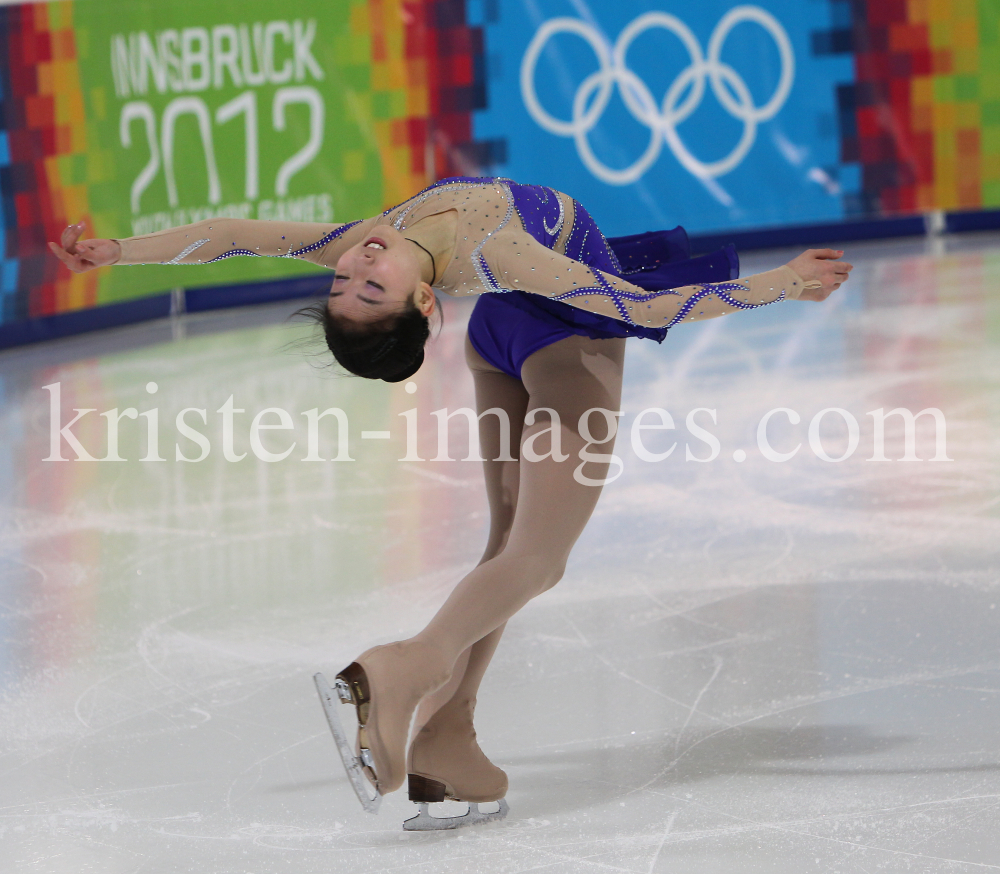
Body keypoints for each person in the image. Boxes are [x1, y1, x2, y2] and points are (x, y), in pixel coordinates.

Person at [50, 176, 851, 830]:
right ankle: (408, 666)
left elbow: (230, 233)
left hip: (500, 338)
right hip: (566, 344)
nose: (359, 263)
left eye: (349, 283)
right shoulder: (494, 249)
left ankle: (446, 737)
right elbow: (638, 309)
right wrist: (783, 284)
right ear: (426, 303)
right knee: (539, 561)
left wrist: (113, 254)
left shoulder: (376, 230)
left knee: (507, 549)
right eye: (373, 288)